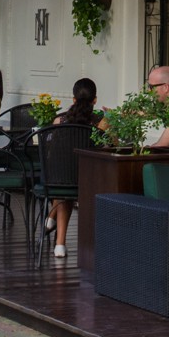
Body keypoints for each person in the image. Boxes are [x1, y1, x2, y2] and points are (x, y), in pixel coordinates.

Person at [45, 77, 101, 259]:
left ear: (73, 99)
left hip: (58, 179)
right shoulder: (100, 122)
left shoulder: (59, 120)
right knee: (70, 180)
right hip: (88, 179)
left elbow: (54, 150)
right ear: (95, 100)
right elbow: (109, 145)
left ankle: (59, 243)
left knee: (63, 187)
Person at [144, 64, 169, 149]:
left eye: (151, 86)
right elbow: (155, 114)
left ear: (165, 87)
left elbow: (162, 144)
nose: (149, 90)